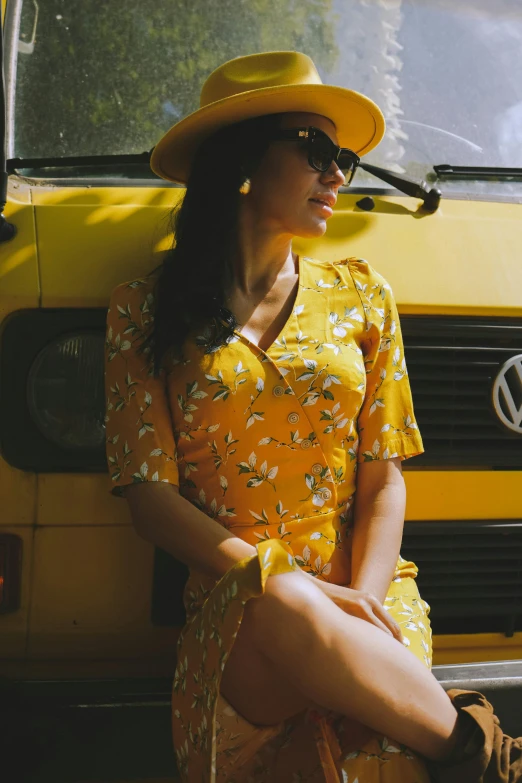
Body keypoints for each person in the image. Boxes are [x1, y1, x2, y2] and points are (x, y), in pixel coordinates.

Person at [104, 51, 522, 782]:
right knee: (282, 595)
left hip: (369, 593)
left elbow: (383, 478)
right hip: (241, 621)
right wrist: (292, 590)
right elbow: (149, 499)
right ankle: (488, 754)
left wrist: (356, 604)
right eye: (316, 151)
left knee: (389, 762)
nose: (338, 175)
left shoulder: (363, 296)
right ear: (241, 162)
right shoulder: (141, 308)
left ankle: (474, 754)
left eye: (345, 159)